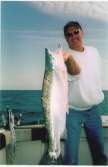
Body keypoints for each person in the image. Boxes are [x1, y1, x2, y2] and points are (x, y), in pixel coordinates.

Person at [62, 21, 107, 165]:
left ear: (82, 32)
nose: (73, 36)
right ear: (66, 39)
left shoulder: (94, 51)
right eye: (69, 35)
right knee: (71, 156)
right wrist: (68, 59)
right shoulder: (64, 57)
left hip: (93, 110)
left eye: (76, 32)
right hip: (72, 112)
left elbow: (97, 74)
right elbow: (75, 73)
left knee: (99, 152)